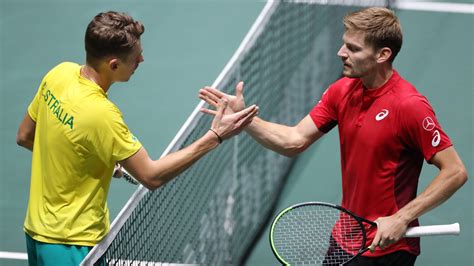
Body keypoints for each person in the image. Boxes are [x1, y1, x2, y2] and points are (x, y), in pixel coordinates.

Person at [199, 7, 467, 265]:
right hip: (344, 238)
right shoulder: (342, 91)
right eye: (344, 44)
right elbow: (294, 140)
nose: (341, 53)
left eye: (353, 48)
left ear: (383, 54)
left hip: (386, 248)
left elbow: (455, 172)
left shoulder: (409, 106)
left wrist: (402, 217)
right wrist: (246, 120)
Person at [16, 11, 258, 265]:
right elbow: (151, 176)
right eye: (135, 58)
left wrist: (87, 163)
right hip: (73, 245)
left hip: (36, 232)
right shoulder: (103, 115)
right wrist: (215, 135)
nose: (141, 59)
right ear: (113, 65)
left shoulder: (59, 74)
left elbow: (25, 136)